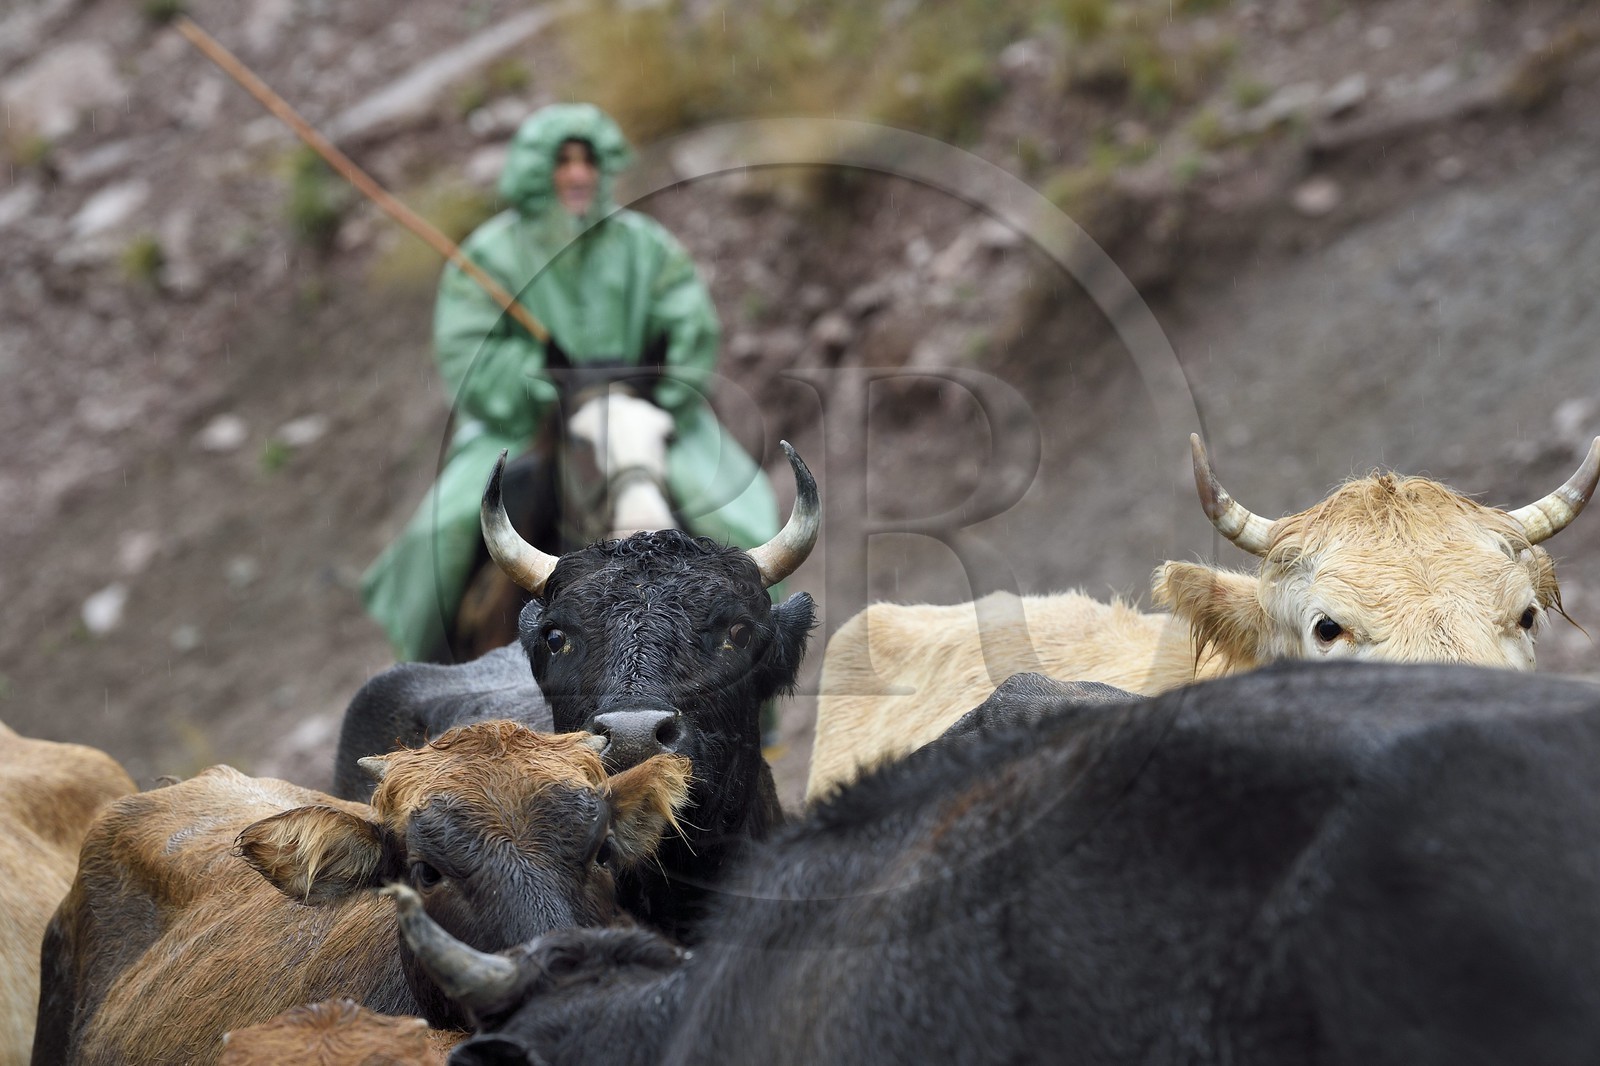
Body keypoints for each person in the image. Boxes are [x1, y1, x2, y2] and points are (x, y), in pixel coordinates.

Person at [361, 103, 783, 690]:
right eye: (564, 161)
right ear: (537, 170)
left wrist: (649, 385)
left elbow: (692, 330)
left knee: (743, 515)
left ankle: (754, 694)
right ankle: (431, 683)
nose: (579, 174)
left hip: (650, 414)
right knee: (443, 532)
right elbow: (469, 356)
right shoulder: (487, 258)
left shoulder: (648, 247)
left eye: (589, 160)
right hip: (525, 423)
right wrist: (545, 383)